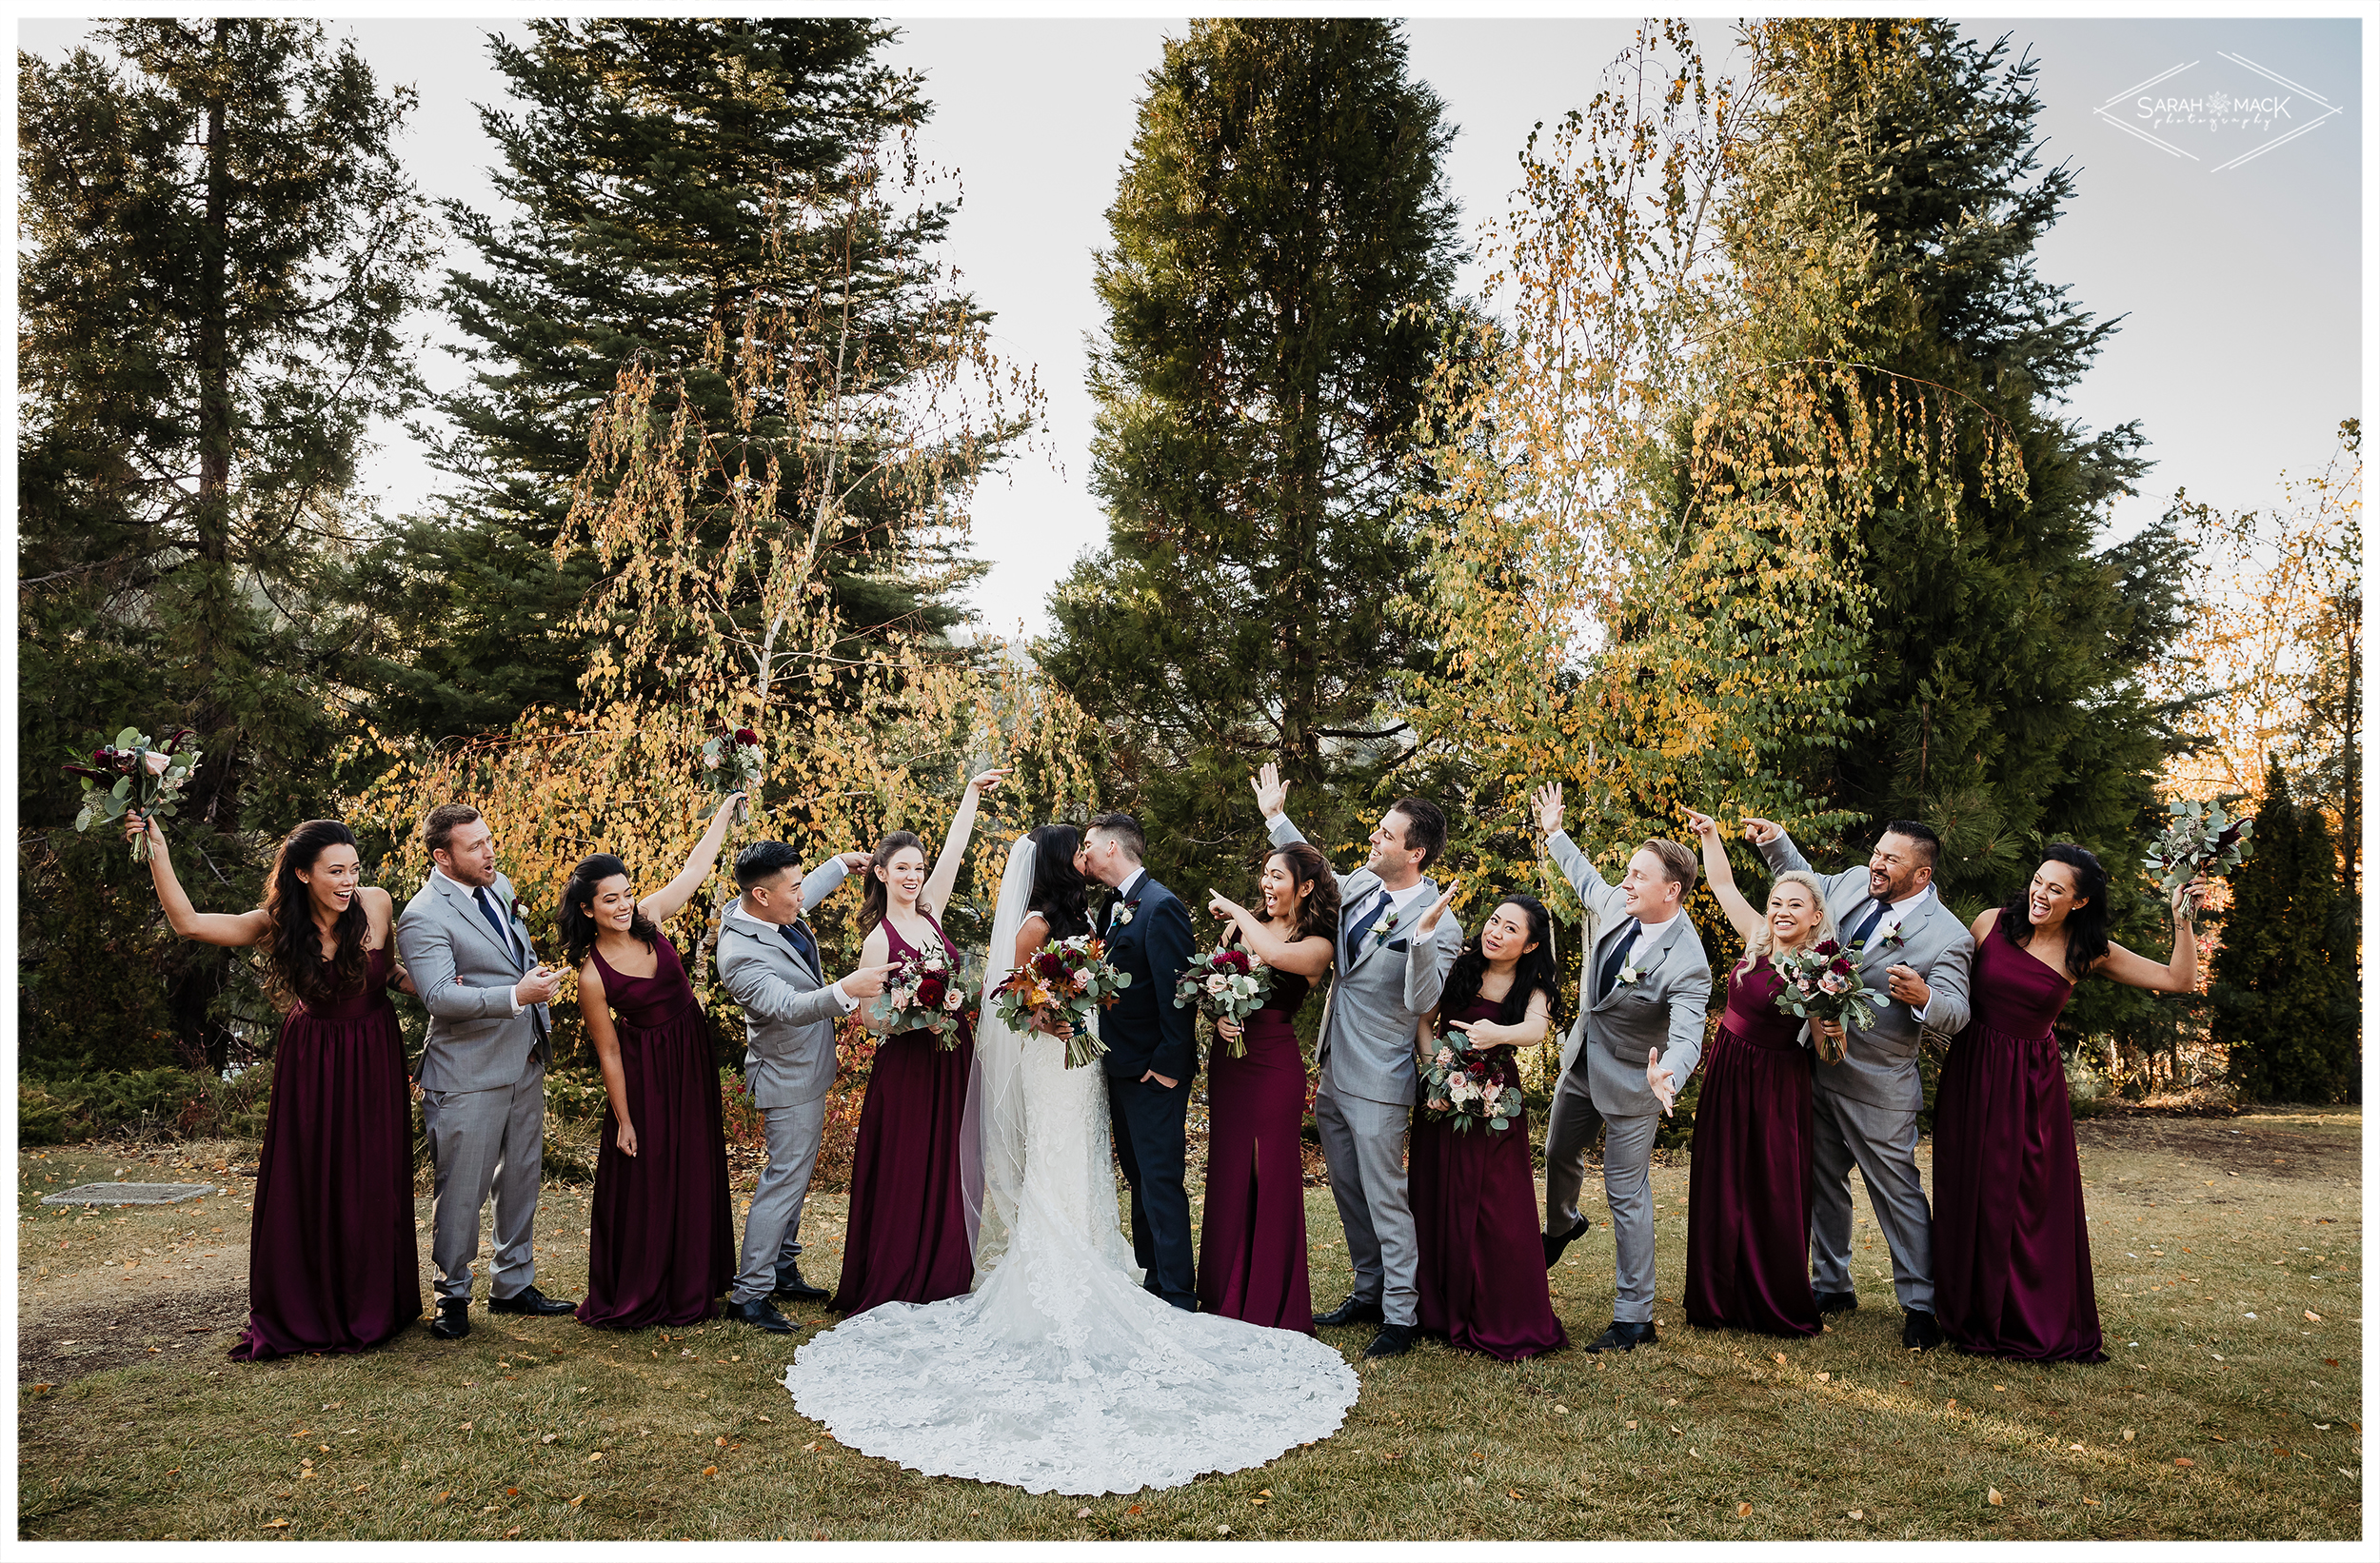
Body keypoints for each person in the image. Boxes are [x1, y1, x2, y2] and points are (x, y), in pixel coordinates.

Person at [783, 833, 1359, 1495]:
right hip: (1056, 1059)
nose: (1087, 855)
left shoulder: (1112, 910)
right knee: (1085, 1165)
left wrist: (1157, 1054)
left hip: (1097, 1066)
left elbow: (1157, 983)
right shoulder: (1038, 922)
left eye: (1093, 845)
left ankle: (1142, 1277)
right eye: (1078, 849)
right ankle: (1065, 1269)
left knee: (1126, 1174)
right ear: (1064, 864)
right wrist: (1049, 1010)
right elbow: (1008, 990)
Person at [127, 811, 420, 1360]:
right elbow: (189, 923)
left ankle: (375, 1302)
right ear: (304, 874)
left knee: (371, 1174)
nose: (348, 882)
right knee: (311, 1178)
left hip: (374, 1053)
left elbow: (392, 973)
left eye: (354, 869)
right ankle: (309, 1304)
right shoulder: (275, 922)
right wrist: (156, 849)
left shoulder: (377, 903)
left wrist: (447, 994)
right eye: (335, 871)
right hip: (314, 1060)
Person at [1934, 846, 2201, 1362]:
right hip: (1971, 1071)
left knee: (2022, 1199)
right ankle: (1962, 1311)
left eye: (2056, 889)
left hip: (2028, 1085)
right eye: (2038, 881)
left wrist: (2181, 920)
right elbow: (1946, 987)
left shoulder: (2089, 950)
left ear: (2079, 902)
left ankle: (2022, 1316)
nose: (2041, 893)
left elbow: (2179, 980)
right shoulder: (1990, 923)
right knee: (1964, 1186)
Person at [1741, 812, 1973, 1351]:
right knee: (1822, 1181)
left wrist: (1927, 999)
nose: (1876, 864)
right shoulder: (1849, 882)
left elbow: (1958, 1012)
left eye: (1891, 860)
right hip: (1817, 1068)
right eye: (1877, 852)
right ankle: (1832, 1284)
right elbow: (1806, 885)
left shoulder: (1949, 937)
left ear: (1922, 876)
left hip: (1880, 1084)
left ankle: (1920, 1304)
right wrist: (1777, 842)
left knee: (1897, 1194)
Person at [1257, 762, 1463, 1358]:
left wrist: (1422, 940)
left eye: (1386, 835)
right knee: (1346, 1188)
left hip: (1382, 1072)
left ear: (1416, 852)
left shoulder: (1439, 920)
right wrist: (1276, 818)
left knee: (1383, 1194)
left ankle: (1402, 1314)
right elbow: (1313, 874)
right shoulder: (1359, 887)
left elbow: (1425, 1002)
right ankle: (1368, 1289)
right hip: (1333, 1061)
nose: (1373, 839)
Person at [1534, 782, 1712, 1354]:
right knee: (1557, 1152)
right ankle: (1561, 1224)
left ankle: (1636, 1317)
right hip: (1582, 1063)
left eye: (1639, 875)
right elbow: (1586, 878)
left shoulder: (1687, 961)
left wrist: (1671, 1075)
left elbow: (1689, 1034)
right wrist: (1556, 833)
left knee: (1625, 1192)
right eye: (1629, 872)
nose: (1626, 882)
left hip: (1639, 1081)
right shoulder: (1617, 902)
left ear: (1673, 891)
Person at [562, 794, 748, 1329]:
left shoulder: (650, 916)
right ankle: (648, 1284)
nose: (622, 906)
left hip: (690, 1054)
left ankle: (696, 1280)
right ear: (587, 909)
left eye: (625, 895)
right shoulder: (591, 974)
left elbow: (694, 869)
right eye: (609, 900)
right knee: (651, 1174)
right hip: (645, 1073)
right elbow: (609, 1051)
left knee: (693, 1163)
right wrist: (623, 1119)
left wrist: (723, 814)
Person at [830, 768, 1006, 1314]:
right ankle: (900, 1272)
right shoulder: (877, 941)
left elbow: (954, 853)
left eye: (918, 868)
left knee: (949, 1164)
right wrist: (914, 1017)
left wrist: (971, 796)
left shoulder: (930, 914)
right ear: (881, 874)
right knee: (908, 1169)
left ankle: (945, 1268)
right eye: (902, 868)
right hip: (907, 1070)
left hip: (948, 1063)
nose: (913, 876)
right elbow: (869, 1021)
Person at [397, 803, 572, 1339]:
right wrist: (517, 994)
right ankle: (451, 1293)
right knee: (463, 1188)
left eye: (489, 840)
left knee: (520, 1175)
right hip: (466, 1069)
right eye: (474, 846)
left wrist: (531, 978)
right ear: (441, 857)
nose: (489, 851)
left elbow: (507, 959)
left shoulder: (500, 888)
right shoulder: (422, 915)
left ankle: (513, 1284)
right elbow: (439, 996)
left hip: (524, 1057)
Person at [713, 839, 891, 1333]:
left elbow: (800, 891)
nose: (800, 895)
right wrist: (845, 991)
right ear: (762, 896)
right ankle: (749, 1294)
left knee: (796, 1175)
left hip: (808, 1067)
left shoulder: (764, 908)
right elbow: (788, 1007)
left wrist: (839, 866)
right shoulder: (740, 956)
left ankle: (783, 1269)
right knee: (784, 1180)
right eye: (792, 888)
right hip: (787, 1077)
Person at [1678, 807, 1833, 1336]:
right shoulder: (1755, 939)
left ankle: (1769, 1297)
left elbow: (1826, 1054)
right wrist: (1710, 835)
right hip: (1728, 1073)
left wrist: (1832, 1034)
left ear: (1815, 917)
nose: (1781, 911)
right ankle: (1715, 1296)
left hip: (1775, 1086)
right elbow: (1720, 882)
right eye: (1776, 903)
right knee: (1721, 1179)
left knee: (1769, 1187)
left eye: (1795, 904)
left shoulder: (1822, 973)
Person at [1408, 890, 1568, 1360]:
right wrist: (1432, 1071)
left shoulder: (1531, 985)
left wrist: (1497, 1034)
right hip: (1442, 1093)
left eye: (1510, 929)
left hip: (1496, 1099)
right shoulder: (1461, 967)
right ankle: (1436, 1308)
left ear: (1531, 945)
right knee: (1436, 1193)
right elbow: (1424, 1020)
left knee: (1497, 1204)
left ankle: (1501, 1309)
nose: (1495, 933)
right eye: (1494, 922)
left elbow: (1536, 1030)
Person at [1199, 842, 1339, 1332]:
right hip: (1230, 1062)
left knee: (1267, 1171)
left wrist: (1238, 910)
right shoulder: (1238, 928)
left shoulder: (1319, 942)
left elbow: (1276, 955)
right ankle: (1222, 1292)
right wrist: (1219, 1018)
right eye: (1264, 875)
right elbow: (1211, 986)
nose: (1266, 884)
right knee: (1231, 1168)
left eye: (1277, 877)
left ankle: (1269, 1301)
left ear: (1304, 887)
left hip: (1274, 1064)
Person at [1077, 811, 1201, 1310]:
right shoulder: (1113, 907)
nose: (1082, 853)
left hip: (1154, 1072)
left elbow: (1179, 991)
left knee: (1161, 1179)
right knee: (1138, 1178)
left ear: (1112, 847)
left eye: (1088, 843)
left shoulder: (1159, 905)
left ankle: (1177, 1293)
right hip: (1120, 1067)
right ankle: (1153, 1279)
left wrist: (1168, 1064)